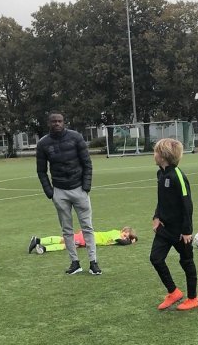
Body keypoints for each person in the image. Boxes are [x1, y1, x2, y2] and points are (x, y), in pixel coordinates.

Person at [36, 111, 100, 275]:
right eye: (54, 121)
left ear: (64, 122)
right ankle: (75, 263)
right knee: (67, 230)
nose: (57, 123)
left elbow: (87, 163)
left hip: (79, 189)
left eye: (59, 121)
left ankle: (93, 262)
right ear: (49, 123)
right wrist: (50, 192)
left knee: (87, 227)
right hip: (59, 191)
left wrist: (86, 187)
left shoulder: (76, 137)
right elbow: (41, 171)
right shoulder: (43, 144)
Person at [150, 138, 198, 311]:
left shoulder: (177, 176)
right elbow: (162, 200)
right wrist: (157, 216)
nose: (154, 155)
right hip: (164, 228)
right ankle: (173, 292)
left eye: (156, 152)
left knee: (186, 262)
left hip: (180, 231)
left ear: (163, 156)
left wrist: (187, 231)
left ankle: (193, 298)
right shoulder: (160, 174)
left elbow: (187, 204)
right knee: (156, 259)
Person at [29, 227, 138, 254]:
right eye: (125, 235)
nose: (124, 238)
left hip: (87, 239)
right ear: (122, 230)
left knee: (67, 244)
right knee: (65, 241)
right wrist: (130, 242)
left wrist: (133, 239)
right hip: (87, 238)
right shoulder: (116, 234)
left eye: (127, 237)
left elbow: (124, 240)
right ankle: (39, 242)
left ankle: (41, 246)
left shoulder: (117, 233)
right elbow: (121, 242)